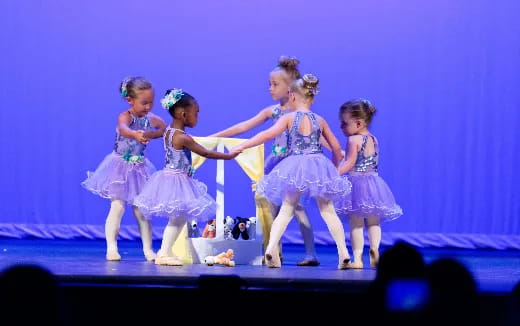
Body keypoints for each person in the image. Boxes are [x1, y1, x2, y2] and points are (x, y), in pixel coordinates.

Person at [232, 74, 352, 269]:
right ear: (312, 98)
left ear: (293, 97)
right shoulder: (319, 120)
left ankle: (271, 248)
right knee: (328, 211)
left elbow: (267, 134)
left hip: (294, 165)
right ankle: (344, 253)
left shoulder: (289, 117)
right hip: (318, 165)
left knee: (286, 210)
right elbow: (336, 148)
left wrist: (244, 146)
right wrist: (335, 168)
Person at [210, 56, 321, 266]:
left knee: (297, 209)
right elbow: (244, 126)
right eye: (269, 84)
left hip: (295, 165)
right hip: (275, 164)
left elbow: (317, 133)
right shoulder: (273, 111)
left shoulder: (301, 114)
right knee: (270, 208)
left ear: (291, 89)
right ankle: (273, 251)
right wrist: (215, 137)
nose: (270, 88)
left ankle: (311, 253)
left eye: (275, 84)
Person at [134, 89, 238, 266]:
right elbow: (205, 152)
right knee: (178, 218)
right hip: (177, 180)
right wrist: (229, 156)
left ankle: (166, 250)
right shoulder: (182, 137)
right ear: (183, 114)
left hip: (171, 177)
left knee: (179, 218)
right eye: (195, 113)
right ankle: (164, 252)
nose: (197, 117)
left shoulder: (168, 132)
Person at [82, 76, 166, 261]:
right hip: (119, 166)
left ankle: (148, 250)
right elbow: (123, 129)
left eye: (151, 103)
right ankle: (111, 248)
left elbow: (163, 129)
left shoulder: (150, 118)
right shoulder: (125, 116)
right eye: (144, 103)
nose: (148, 107)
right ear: (130, 100)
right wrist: (135, 134)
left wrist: (150, 134)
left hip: (140, 168)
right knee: (117, 206)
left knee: (141, 210)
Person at [335, 99, 402, 269]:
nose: (342, 128)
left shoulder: (353, 140)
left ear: (358, 123)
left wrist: (335, 173)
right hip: (374, 183)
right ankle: (375, 249)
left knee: (356, 223)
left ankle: (357, 258)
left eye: (344, 124)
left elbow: (350, 163)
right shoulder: (374, 139)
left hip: (357, 184)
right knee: (373, 221)